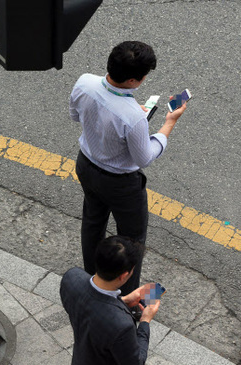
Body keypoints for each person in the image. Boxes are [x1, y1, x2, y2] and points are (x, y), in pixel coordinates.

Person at [70, 40, 189, 295]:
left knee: (92, 221)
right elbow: (144, 157)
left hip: (86, 165)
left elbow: (75, 114)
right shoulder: (133, 117)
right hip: (121, 184)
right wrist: (168, 124)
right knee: (132, 240)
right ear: (135, 81)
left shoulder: (84, 82)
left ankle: (93, 280)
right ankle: (127, 296)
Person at [60, 235, 161, 365]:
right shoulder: (122, 326)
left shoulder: (71, 278)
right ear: (124, 275)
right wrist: (145, 322)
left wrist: (122, 301)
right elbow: (136, 362)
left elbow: (93, 308)